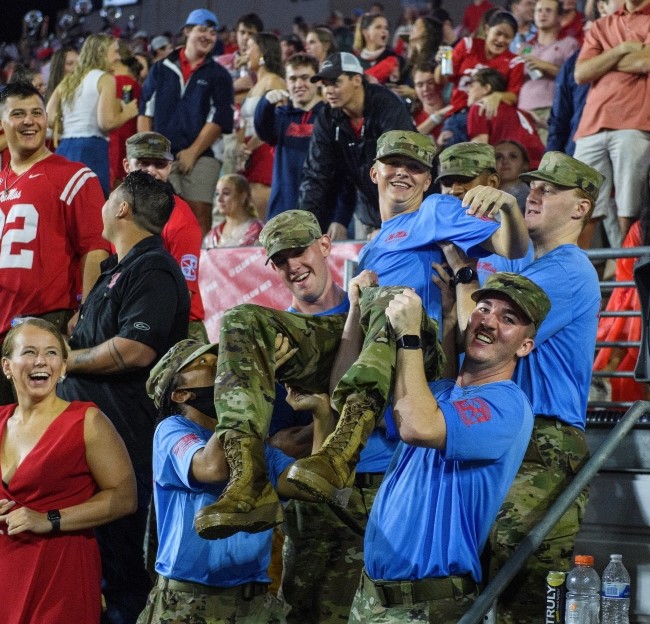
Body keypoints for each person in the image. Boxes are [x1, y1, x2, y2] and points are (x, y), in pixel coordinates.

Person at [196, 130, 529, 539]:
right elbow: (342, 371)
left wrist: (511, 210)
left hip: (418, 351)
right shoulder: (372, 249)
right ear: (374, 172)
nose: (403, 174)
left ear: (428, 180)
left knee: (385, 300)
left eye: (416, 168)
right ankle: (247, 476)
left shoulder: (437, 210)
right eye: (394, 164)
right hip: (377, 347)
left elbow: (509, 247)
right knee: (241, 321)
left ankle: (340, 452)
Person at [348, 272, 550, 623]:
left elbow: (417, 426)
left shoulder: (508, 406)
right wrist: (354, 310)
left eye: (508, 319)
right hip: (372, 598)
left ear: (524, 346)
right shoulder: (437, 392)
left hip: (427, 607)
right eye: (484, 308)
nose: (489, 320)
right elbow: (348, 397)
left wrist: (409, 335)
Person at [459, 152, 604, 623]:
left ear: (580, 209)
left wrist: (461, 277)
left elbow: (484, 333)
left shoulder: (569, 270)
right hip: (502, 426)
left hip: (545, 439)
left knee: (524, 592)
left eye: (549, 189)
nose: (534, 193)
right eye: (532, 185)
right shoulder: (523, 260)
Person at [58, 170, 190, 624]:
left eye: (109, 195)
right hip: (94, 439)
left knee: (125, 573)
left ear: (122, 208)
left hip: (126, 441)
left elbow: (134, 350)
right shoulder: (120, 268)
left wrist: (65, 361)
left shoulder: (153, 268)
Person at [255, 211, 397, 622]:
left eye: (298, 251)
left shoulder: (374, 318)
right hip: (317, 499)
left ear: (323, 245)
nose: (292, 266)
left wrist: (324, 417)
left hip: (384, 486)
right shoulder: (279, 338)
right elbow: (277, 441)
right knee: (308, 612)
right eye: (280, 260)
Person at [138, 339, 302, 624]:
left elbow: (304, 484)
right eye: (201, 362)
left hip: (253, 604)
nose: (217, 363)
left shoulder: (253, 442)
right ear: (181, 394)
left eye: (217, 358)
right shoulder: (171, 430)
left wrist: (325, 412)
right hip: (188, 605)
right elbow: (213, 467)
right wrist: (249, 381)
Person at [0, 318, 136, 624]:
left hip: (59, 575)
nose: (41, 361)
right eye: (30, 352)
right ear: (7, 366)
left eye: (51, 354)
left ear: (63, 367)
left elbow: (125, 497)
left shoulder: (87, 421)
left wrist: (50, 519)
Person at [0, 82, 110, 406]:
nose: (29, 121)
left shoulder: (74, 177)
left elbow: (95, 248)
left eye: (37, 112)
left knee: (37, 426)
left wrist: (87, 312)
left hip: (42, 321)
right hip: (4, 316)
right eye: (18, 114)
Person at [297, 52, 415, 238]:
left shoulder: (386, 105)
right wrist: (303, 228)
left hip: (410, 214)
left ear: (357, 80)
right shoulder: (328, 118)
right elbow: (315, 175)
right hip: (369, 213)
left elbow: (402, 168)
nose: (328, 90)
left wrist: (393, 225)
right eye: (325, 85)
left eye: (335, 82)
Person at [138, 9, 234, 235]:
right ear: (187, 31)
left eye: (212, 33)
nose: (208, 36)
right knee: (159, 214)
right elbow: (145, 112)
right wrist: (149, 153)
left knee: (198, 213)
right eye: (203, 30)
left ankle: (193, 267)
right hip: (161, 155)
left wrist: (192, 152)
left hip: (202, 155)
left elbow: (219, 118)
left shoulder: (219, 74)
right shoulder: (161, 68)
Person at [573, 0, 650, 248]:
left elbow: (644, 63)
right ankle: (581, 271)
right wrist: (623, 49)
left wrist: (603, 62)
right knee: (580, 204)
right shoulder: (601, 24)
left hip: (635, 123)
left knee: (630, 204)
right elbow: (581, 73)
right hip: (590, 126)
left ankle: (626, 273)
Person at [123, 131, 208, 342]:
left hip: (177, 328)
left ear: (170, 167)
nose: (151, 171)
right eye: (143, 163)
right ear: (127, 166)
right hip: (131, 321)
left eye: (159, 164)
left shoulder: (182, 220)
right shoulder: (116, 212)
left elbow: (183, 294)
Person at [47, 34, 139, 195]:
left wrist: (70, 127)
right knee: (92, 207)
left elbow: (49, 116)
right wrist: (128, 112)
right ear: (101, 52)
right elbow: (107, 123)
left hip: (63, 148)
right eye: (115, 52)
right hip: (90, 150)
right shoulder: (105, 79)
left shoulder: (70, 79)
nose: (118, 57)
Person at [436, 11, 525, 147]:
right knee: (451, 160)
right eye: (498, 33)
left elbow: (513, 96)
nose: (501, 40)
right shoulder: (468, 45)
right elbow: (442, 79)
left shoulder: (515, 62)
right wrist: (441, 63)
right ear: (487, 29)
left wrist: (497, 95)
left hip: (487, 118)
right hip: (459, 114)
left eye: (507, 37)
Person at [254, 53, 324, 222]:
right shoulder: (280, 116)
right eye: (293, 79)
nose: (299, 84)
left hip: (321, 207)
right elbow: (262, 131)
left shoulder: (328, 117)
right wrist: (265, 104)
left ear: (318, 80)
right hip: (283, 208)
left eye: (305, 78)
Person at [516, 0, 579, 144]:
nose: (542, 14)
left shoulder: (568, 44)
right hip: (522, 110)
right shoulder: (526, 48)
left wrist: (545, 66)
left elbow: (574, 77)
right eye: (539, 10)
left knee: (544, 161)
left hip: (549, 109)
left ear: (559, 17)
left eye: (548, 10)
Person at [238, 32, 286, 220]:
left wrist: (249, 147)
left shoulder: (275, 81)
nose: (245, 52)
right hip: (250, 153)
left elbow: (278, 123)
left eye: (250, 47)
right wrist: (241, 147)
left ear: (263, 52)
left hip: (265, 152)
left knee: (264, 218)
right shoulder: (255, 86)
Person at [466, 67, 544, 167]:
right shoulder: (520, 112)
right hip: (540, 169)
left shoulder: (479, 108)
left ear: (486, 88)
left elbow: (480, 150)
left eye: (472, 86)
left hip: (515, 172)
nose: (468, 91)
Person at [109, 40, 142, 189]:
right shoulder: (129, 81)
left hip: (118, 145)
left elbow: (123, 121)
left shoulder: (121, 82)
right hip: (127, 144)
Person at [203, 174, 264, 249]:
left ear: (243, 196)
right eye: (217, 194)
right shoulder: (213, 235)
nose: (219, 199)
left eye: (226, 193)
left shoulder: (258, 232)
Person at [353, 13, 402, 85]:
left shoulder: (398, 60)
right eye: (378, 27)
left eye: (386, 28)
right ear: (366, 32)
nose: (384, 31)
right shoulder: (355, 63)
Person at [495, 140, 532, 212]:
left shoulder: (529, 197)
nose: (505, 161)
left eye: (513, 156)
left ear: (525, 165)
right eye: (498, 157)